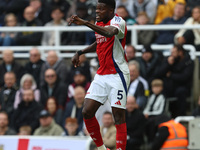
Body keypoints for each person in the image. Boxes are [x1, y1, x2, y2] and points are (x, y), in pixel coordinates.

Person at [69, 0, 130, 149]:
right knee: (87, 112)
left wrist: (85, 23)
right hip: (102, 74)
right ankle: (102, 149)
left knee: (118, 116)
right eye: (96, 9)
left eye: (101, 9)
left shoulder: (118, 21)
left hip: (118, 74)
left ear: (110, 10)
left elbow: (109, 33)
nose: (97, 12)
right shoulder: (99, 22)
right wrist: (81, 52)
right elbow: (99, 41)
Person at [155, 44, 194, 117]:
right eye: (171, 52)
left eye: (174, 52)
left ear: (180, 52)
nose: (172, 55)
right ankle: (161, 114)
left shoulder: (188, 62)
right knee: (161, 89)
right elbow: (158, 74)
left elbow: (184, 77)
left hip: (183, 86)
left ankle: (182, 115)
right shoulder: (169, 61)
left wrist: (171, 75)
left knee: (180, 91)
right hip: (170, 86)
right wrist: (168, 64)